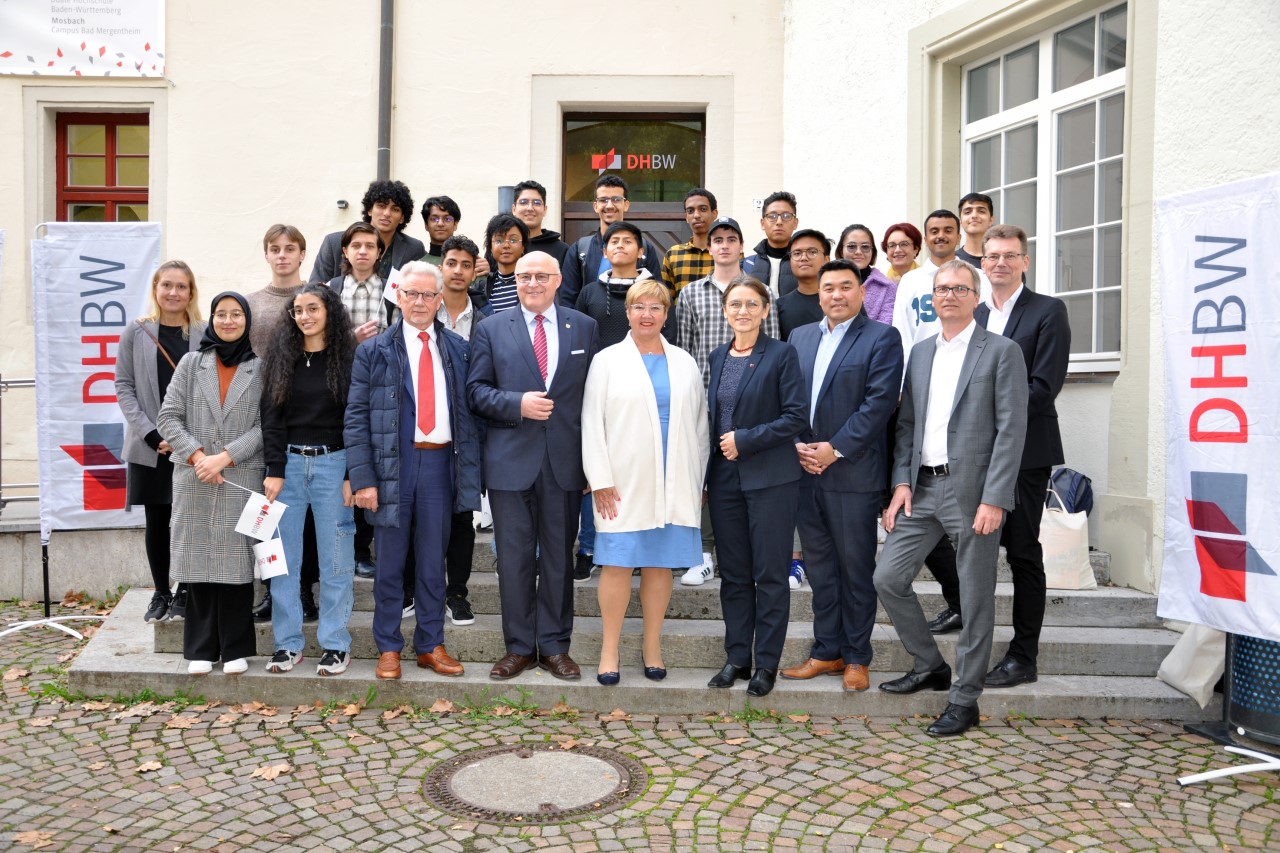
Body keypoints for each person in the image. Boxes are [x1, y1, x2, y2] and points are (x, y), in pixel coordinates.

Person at [872, 260, 1027, 737]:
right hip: (922, 487)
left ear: (975, 297)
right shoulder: (920, 353)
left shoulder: (1001, 352)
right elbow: (907, 425)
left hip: (974, 493)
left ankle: (965, 699)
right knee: (888, 577)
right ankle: (929, 665)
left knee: (976, 598)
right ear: (932, 297)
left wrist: (995, 497)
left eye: (960, 289)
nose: (950, 296)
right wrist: (900, 483)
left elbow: (1011, 431)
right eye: (942, 289)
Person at [346, 261, 482, 680]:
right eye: (411, 294)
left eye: (428, 294)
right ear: (398, 297)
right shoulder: (373, 350)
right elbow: (356, 417)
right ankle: (388, 647)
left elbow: (470, 415)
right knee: (389, 562)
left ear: (440, 300)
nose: (419, 301)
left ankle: (430, 644)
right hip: (393, 468)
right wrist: (363, 478)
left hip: (441, 464)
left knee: (431, 561)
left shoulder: (459, 349)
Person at [467, 251, 599, 682]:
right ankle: (519, 647)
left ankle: (556, 647)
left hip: (564, 462)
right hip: (510, 463)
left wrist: (594, 465)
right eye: (524, 276)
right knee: (515, 559)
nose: (533, 283)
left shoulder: (584, 326)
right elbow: (476, 393)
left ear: (559, 279)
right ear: (515, 281)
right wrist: (516, 404)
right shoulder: (490, 328)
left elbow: (594, 400)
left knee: (560, 559)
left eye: (542, 276)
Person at [779, 259, 903, 692]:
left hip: (852, 473)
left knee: (854, 569)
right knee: (820, 569)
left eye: (845, 287)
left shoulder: (883, 338)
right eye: (828, 287)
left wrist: (835, 449)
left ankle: (856, 657)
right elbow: (788, 396)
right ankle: (826, 651)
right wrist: (796, 444)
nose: (835, 295)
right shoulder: (799, 337)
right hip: (804, 471)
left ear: (861, 292)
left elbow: (878, 404)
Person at [582, 279, 709, 684]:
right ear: (628, 312)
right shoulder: (606, 360)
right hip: (623, 481)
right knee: (617, 563)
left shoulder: (685, 362)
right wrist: (599, 479)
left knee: (659, 566)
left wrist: (698, 480)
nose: (647, 314)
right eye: (639, 307)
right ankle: (609, 649)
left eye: (656, 307)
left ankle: (651, 645)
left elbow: (701, 426)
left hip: (675, 479)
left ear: (666, 315)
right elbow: (591, 423)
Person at [705, 275, 807, 698]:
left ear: (765, 310)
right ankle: (737, 658)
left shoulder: (781, 355)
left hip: (771, 479)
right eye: (735, 305)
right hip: (725, 480)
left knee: (769, 575)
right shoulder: (717, 355)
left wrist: (745, 440)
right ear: (725, 311)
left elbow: (796, 416)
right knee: (733, 575)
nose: (742, 311)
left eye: (751, 304)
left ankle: (765, 663)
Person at [977, 224, 1070, 687]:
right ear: (982, 261)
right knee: (964, 548)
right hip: (975, 455)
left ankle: (1023, 656)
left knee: (1022, 553)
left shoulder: (1047, 312)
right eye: (992, 255)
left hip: (1026, 453)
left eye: (1010, 256)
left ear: (1025, 262)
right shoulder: (973, 314)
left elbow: (1043, 387)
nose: (1000, 263)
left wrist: (986, 419)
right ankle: (968, 627)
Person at [156, 291, 264, 676]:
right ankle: (200, 648)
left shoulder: (260, 367)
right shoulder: (190, 363)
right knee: (199, 563)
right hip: (195, 476)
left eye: (237, 315)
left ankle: (235, 647)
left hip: (240, 475)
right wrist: (200, 457)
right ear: (212, 319)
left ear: (247, 321)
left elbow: (266, 426)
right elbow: (167, 417)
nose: (229, 321)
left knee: (236, 567)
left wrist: (226, 456)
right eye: (222, 314)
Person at [674, 217, 781, 586]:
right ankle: (703, 553)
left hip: (754, 401)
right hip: (706, 397)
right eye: (717, 239)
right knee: (707, 473)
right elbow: (685, 351)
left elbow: (776, 344)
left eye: (731, 239)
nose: (723, 245)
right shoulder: (691, 293)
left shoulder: (763, 291)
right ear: (709, 247)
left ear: (741, 246)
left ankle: (748, 550)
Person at [260, 284, 358, 677]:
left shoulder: (349, 359)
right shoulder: (281, 358)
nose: (304, 316)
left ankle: (335, 645)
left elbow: (357, 420)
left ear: (329, 311)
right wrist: (274, 469)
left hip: (335, 465)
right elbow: (271, 418)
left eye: (312, 308)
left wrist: (354, 474)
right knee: (283, 561)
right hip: (289, 467)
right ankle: (287, 645)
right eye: (298, 310)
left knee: (336, 559)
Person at [574, 220, 677, 580]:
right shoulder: (589, 292)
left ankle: (644, 549)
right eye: (613, 241)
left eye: (628, 241)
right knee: (600, 473)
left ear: (642, 250)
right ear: (603, 252)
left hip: (648, 384)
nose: (620, 246)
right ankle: (589, 547)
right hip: (603, 382)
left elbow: (670, 337)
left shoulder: (654, 291)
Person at [116, 261, 206, 624]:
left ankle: (185, 589)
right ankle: (161, 592)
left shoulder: (204, 333)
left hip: (194, 446)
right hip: (149, 447)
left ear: (191, 292)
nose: (173, 293)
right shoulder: (135, 333)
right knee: (158, 520)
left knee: (191, 519)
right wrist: (153, 435)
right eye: (166, 285)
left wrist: (187, 441)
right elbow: (124, 386)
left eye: (181, 286)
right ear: (155, 288)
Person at [246, 224, 318, 624]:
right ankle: (272, 591)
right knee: (266, 515)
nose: (282, 255)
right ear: (267, 254)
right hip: (258, 418)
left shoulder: (316, 297)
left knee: (304, 520)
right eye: (275, 249)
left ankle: (305, 591)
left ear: (302, 253)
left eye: (290, 248)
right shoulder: (252, 303)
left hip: (305, 420)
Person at [435, 234, 492, 626]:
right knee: (420, 517)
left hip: (468, 432)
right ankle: (414, 589)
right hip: (423, 431)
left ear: (475, 271)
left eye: (465, 264)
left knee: (461, 517)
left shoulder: (486, 322)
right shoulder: (419, 310)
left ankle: (457, 593)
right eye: (451, 262)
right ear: (442, 266)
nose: (458, 271)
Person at [559, 175, 664, 308]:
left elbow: (657, 294)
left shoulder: (645, 248)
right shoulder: (579, 250)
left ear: (626, 205)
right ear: (595, 206)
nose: (609, 205)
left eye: (616, 199)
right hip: (591, 326)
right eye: (603, 200)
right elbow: (567, 300)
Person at [308, 180, 427, 285]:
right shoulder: (334, 243)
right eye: (381, 206)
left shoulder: (414, 249)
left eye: (395, 209)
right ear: (370, 210)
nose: (386, 213)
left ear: (402, 218)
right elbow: (316, 289)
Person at [327, 221, 393, 344]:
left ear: (379, 253)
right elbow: (321, 338)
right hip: (341, 363)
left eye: (370, 246)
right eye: (356, 246)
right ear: (345, 251)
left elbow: (399, 338)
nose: (363, 251)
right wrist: (352, 339)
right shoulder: (330, 289)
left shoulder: (391, 291)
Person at [836, 224, 898, 326]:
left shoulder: (887, 287)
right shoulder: (827, 282)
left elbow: (885, 327)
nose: (858, 252)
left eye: (865, 247)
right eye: (851, 247)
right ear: (841, 251)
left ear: (872, 252)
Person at [661, 188, 717, 297]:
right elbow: (666, 299)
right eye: (690, 211)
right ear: (686, 217)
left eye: (703, 209)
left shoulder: (727, 253)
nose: (696, 215)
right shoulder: (673, 254)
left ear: (714, 213)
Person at [743, 191, 800, 296]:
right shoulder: (747, 265)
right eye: (772, 216)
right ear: (762, 223)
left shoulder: (805, 263)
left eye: (786, 216)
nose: (779, 221)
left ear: (795, 223)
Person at [775, 228, 829, 341]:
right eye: (797, 253)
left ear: (826, 260)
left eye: (812, 252)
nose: (804, 258)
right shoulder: (778, 307)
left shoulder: (840, 300)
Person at [475, 213, 530, 315]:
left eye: (513, 240)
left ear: (523, 247)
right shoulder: (483, 286)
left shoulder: (532, 283)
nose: (506, 245)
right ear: (490, 247)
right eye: (499, 240)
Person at [511, 179, 571, 268]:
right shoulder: (503, 246)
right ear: (514, 209)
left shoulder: (562, 250)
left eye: (537, 203)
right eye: (523, 202)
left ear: (545, 210)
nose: (530, 208)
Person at [955, 192, 995, 268]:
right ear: (960, 221)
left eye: (981, 211)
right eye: (967, 212)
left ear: (991, 220)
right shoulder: (951, 260)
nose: (974, 216)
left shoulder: (1003, 261)